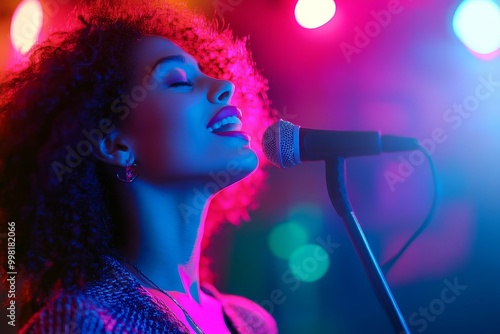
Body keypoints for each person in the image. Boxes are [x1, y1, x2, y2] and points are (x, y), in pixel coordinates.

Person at [0, 0, 278, 333]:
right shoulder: (81, 323)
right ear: (115, 144)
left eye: (208, 74)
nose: (225, 87)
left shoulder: (252, 323)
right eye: (177, 81)